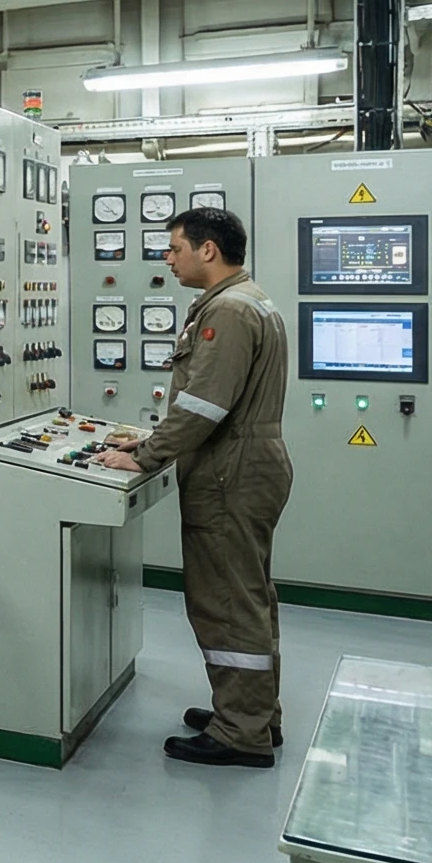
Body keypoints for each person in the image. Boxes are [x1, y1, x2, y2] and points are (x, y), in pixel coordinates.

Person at [97, 206, 293, 767]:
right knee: (248, 594)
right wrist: (151, 444)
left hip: (230, 471)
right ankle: (253, 713)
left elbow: (203, 405)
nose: (167, 258)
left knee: (226, 600)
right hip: (246, 464)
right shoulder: (248, 299)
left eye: (175, 248)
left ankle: (241, 733)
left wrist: (146, 455)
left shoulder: (228, 311)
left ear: (208, 249)